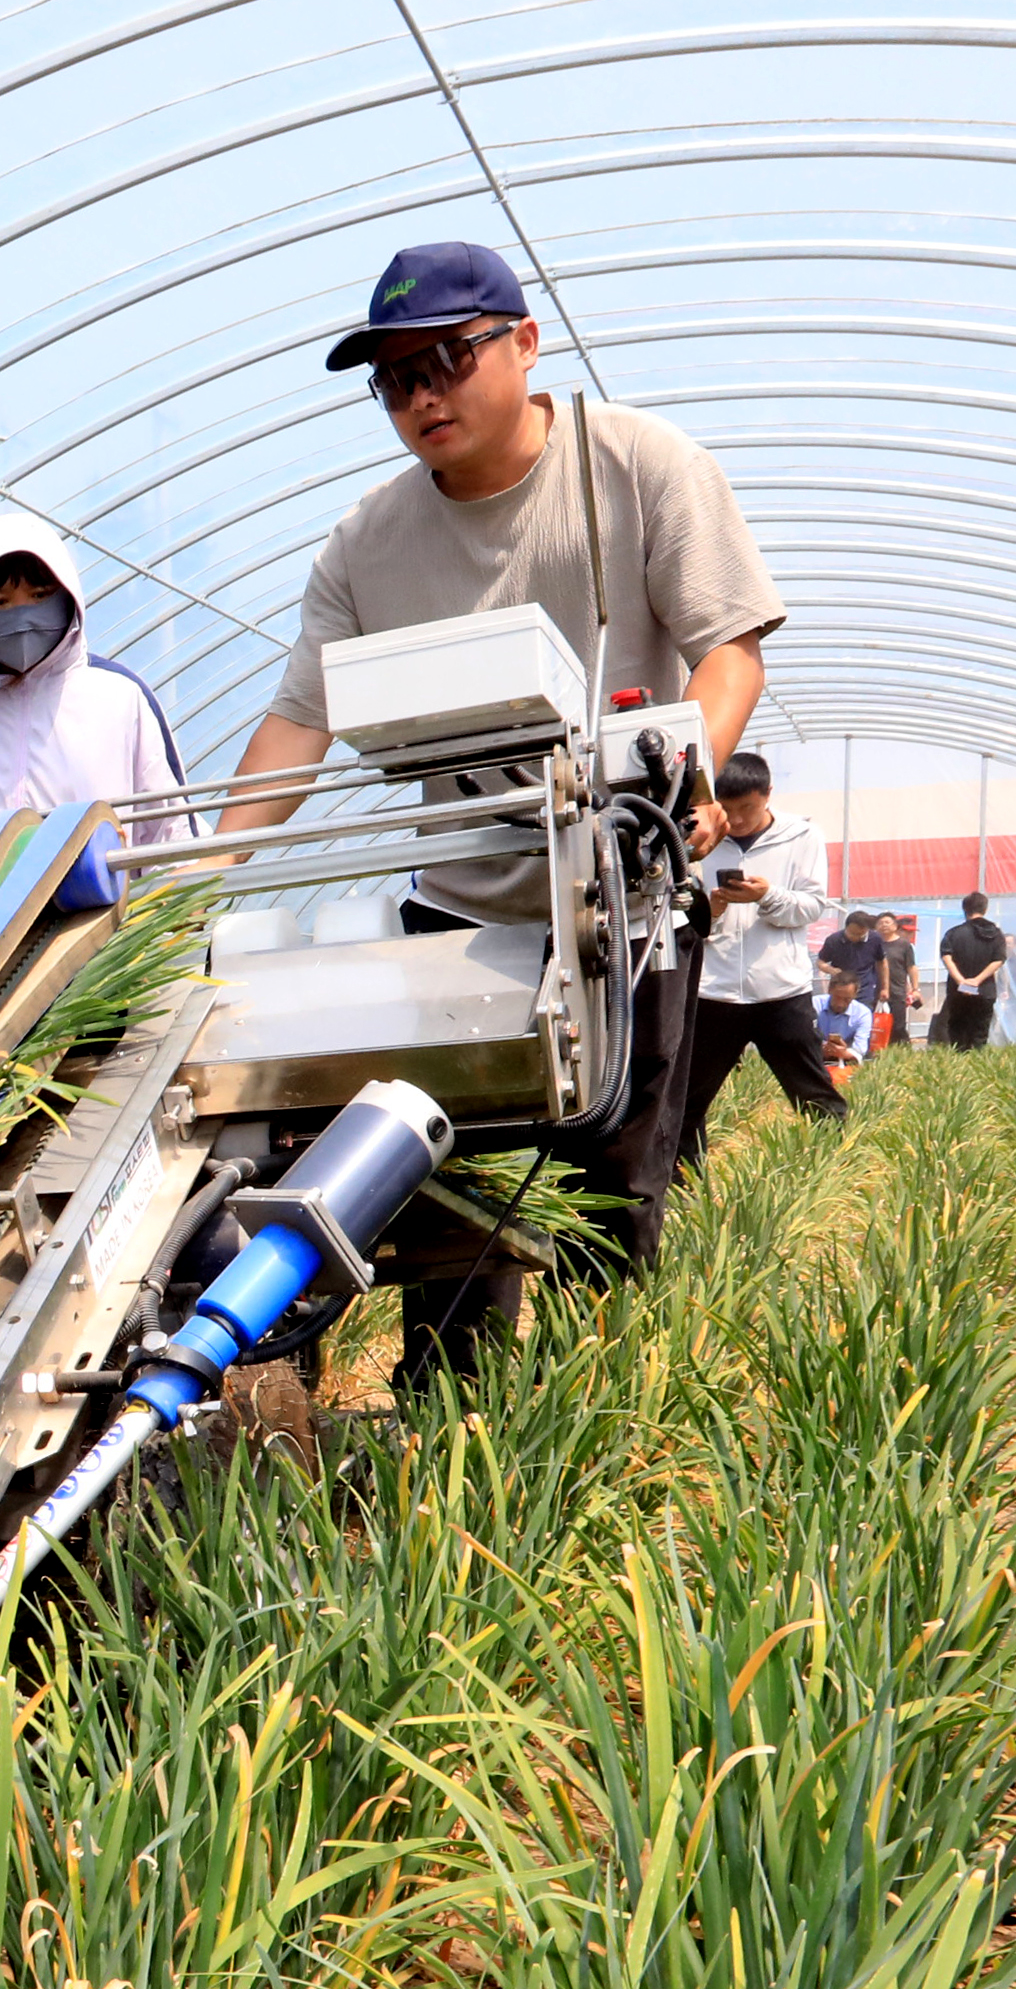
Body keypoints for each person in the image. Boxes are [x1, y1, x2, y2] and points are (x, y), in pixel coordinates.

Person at [213, 240, 781, 1379]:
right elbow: (295, 728)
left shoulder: (638, 467)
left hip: (619, 906)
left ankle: (585, 1422)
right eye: (394, 381)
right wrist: (192, 877)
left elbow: (729, 653)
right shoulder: (367, 543)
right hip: (459, 917)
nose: (421, 397)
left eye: (446, 362)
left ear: (524, 343)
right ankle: (450, 1424)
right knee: (455, 1193)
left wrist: (686, 777)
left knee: (608, 1194)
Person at [0, 513, 190, 850]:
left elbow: (173, 840)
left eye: (40, 596)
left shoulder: (120, 698)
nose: (22, 618)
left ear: (67, 597)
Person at [673, 750, 843, 1162]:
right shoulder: (696, 838)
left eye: (747, 808)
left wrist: (767, 896)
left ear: (768, 794)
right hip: (714, 992)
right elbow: (678, 916)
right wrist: (710, 911)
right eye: (727, 809)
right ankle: (685, 1183)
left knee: (813, 1094)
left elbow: (811, 907)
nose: (736, 820)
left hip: (781, 991)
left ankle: (834, 1169)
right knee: (685, 1102)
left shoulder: (802, 836)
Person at [939, 892, 1005, 1051]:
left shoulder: (953, 933)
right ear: (985, 909)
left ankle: (960, 1062)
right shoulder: (996, 934)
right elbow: (998, 959)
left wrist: (962, 981)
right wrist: (977, 980)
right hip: (985, 989)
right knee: (980, 1031)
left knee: (958, 1031)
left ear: (964, 909)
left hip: (958, 990)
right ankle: (978, 1061)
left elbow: (946, 957)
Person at [820, 907, 884, 1009]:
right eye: (853, 934)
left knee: (863, 1013)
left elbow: (882, 962)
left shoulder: (875, 939)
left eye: (861, 934)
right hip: (840, 989)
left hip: (865, 988)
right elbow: (820, 962)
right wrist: (830, 969)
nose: (857, 937)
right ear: (846, 927)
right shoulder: (834, 940)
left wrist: (884, 987)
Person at [816, 973, 872, 1069]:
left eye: (847, 999)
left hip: (846, 1062)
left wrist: (844, 1052)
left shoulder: (863, 1013)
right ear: (829, 990)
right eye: (837, 997)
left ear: (855, 995)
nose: (840, 1004)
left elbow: (860, 1048)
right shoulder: (814, 1005)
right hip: (815, 1057)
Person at [877, 914, 918, 1045]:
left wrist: (915, 989)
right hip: (875, 990)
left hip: (897, 990)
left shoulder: (904, 945)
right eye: (881, 923)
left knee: (898, 1025)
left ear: (895, 926)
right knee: (876, 1024)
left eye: (887, 922)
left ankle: (900, 1049)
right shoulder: (873, 943)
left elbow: (911, 967)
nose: (884, 925)